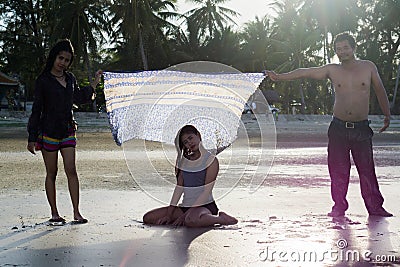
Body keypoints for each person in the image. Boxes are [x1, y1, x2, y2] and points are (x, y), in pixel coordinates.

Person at [265, 32, 393, 217]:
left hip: (361, 129)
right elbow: (305, 72)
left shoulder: (368, 67)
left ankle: (375, 208)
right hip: (338, 128)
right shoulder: (332, 70)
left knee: (367, 170)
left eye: (346, 48)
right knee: (338, 170)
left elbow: (380, 91)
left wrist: (387, 114)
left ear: (353, 48)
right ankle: (339, 207)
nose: (342, 52)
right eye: (339, 49)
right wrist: (280, 76)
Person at [27, 39, 102, 224]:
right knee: (51, 173)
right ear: (54, 57)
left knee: (72, 170)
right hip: (48, 133)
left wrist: (94, 84)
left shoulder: (70, 79)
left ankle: (76, 212)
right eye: (60, 58)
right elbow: (37, 110)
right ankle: (54, 213)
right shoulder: (43, 81)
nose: (63, 62)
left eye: (67, 60)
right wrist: (32, 137)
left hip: (68, 130)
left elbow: (79, 97)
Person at [143, 125, 238, 227]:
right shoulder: (184, 162)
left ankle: (221, 218)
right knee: (148, 217)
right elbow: (179, 189)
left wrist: (185, 216)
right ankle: (192, 218)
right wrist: (169, 215)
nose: (189, 143)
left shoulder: (211, 160)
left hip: (205, 206)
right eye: (185, 142)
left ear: (198, 135)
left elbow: (206, 191)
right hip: (185, 206)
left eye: (190, 138)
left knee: (190, 220)